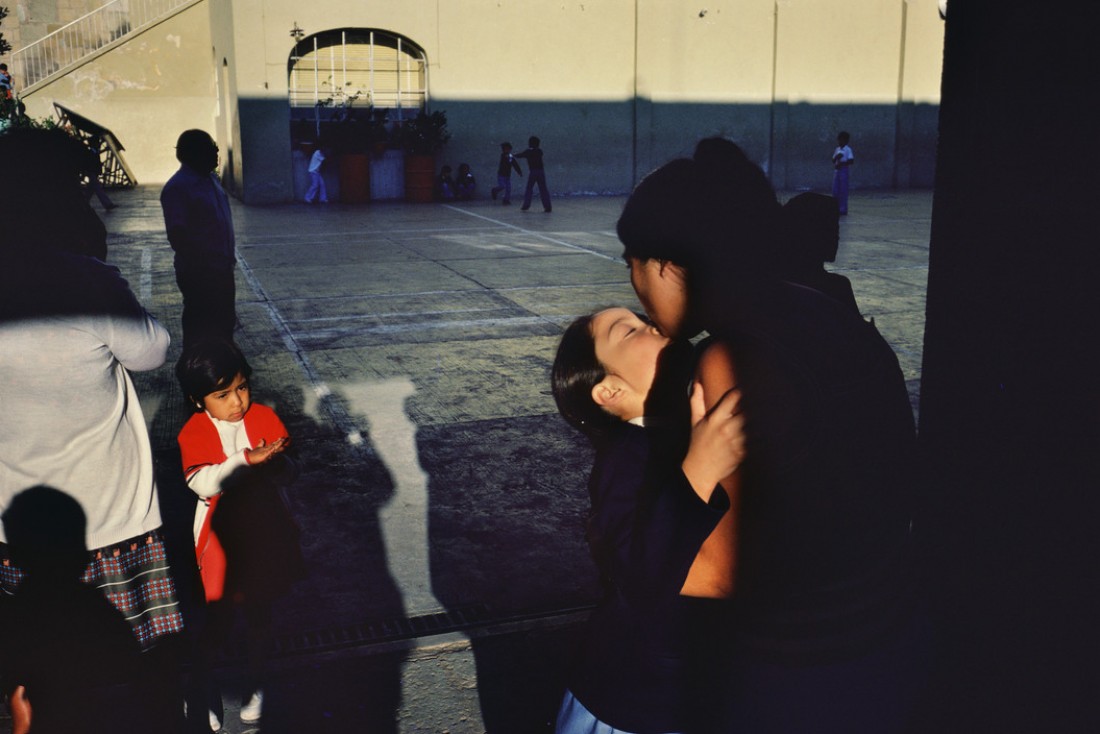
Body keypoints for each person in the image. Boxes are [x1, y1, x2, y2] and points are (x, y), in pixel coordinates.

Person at [617, 138, 927, 733]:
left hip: (808, 669)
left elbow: (714, 573)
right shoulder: (822, 309)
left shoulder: (734, 358)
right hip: (890, 627)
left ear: (659, 262)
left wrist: (628, 518)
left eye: (628, 262)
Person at [0, 126, 184, 728]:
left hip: (16, 527)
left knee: (36, 669)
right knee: (133, 670)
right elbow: (153, 351)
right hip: (111, 523)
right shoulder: (87, 282)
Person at [551, 308, 746, 733]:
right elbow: (640, 573)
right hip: (632, 704)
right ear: (609, 392)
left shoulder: (680, 433)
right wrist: (701, 466)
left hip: (689, 692)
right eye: (631, 330)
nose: (654, 326)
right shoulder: (625, 457)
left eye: (647, 320)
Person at [175, 338, 305, 731]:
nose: (237, 402)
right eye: (222, 394)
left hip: (265, 531)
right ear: (199, 400)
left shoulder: (264, 416)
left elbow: (291, 474)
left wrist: (280, 464)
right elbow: (204, 483)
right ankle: (201, 685)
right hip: (219, 541)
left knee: (260, 613)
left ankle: (254, 683)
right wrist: (248, 459)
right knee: (217, 619)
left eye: (243, 388)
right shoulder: (194, 431)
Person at [160, 129, 237, 350]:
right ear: (194, 154)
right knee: (200, 324)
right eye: (211, 149)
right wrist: (205, 267)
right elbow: (178, 237)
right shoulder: (179, 187)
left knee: (224, 322)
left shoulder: (211, 180)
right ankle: (196, 367)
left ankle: (224, 365)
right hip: (201, 273)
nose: (216, 154)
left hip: (222, 268)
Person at [516, 135, 552, 212]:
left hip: (533, 171)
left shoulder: (528, 151)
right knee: (543, 189)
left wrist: (512, 155)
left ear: (531, 143)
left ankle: (526, 205)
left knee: (529, 188)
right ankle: (547, 206)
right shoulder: (539, 151)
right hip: (541, 171)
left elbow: (520, 155)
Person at [831, 130, 854, 215]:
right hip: (837, 170)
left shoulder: (848, 150)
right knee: (835, 190)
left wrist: (842, 163)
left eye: (841, 140)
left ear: (846, 141)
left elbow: (851, 160)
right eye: (839, 140)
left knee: (843, 190)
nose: (839, 142)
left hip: (844, 170)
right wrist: (837, 157)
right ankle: (835, 207)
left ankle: (843, 209)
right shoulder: (837, 149)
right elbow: (833, 160)